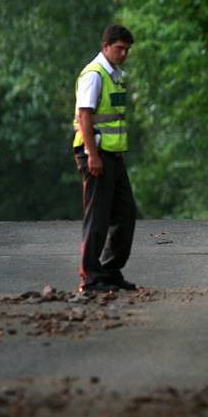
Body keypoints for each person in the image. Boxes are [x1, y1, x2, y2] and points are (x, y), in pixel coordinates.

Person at [73, 25, 137, 293]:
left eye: (126, 49)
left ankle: (110, 271)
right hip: (96, 153)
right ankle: (90, 276)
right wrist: (92, 154)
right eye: (119, 48)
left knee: (125, 213)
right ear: (105, 46)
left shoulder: (115, 75)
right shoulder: (94, 74)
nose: (123, 53)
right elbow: (84, 115)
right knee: (98, 218)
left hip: (113, 154)